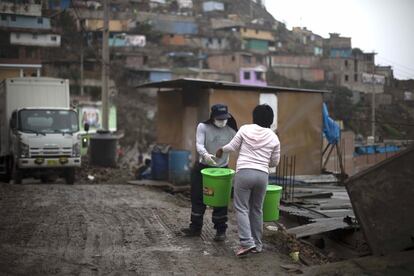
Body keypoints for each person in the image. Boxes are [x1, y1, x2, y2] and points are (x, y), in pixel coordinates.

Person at [216, 104, 280, 256]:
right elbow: (274, 162)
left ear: (254, 117)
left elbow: (232, 146)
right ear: (271, 120)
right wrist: (263, 162)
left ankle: (246, 242)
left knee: (242, 208)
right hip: (262, 176)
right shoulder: (274, 137)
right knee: (257, 209)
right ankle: (257, 245)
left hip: (244, 173)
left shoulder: (245, 129)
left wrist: (221, 149)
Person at [181, 104, 238, 241]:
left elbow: (240, 144)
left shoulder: (232, 130)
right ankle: (195, 227)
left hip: (222, 169)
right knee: (198, 197)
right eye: (219, 119)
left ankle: (220, 230)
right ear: (212, 117)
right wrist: (205, 154)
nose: (222, 121)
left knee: (220, 200)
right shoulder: (203, 127)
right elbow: (199, 144)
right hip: (203, 167)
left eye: (225, 118)